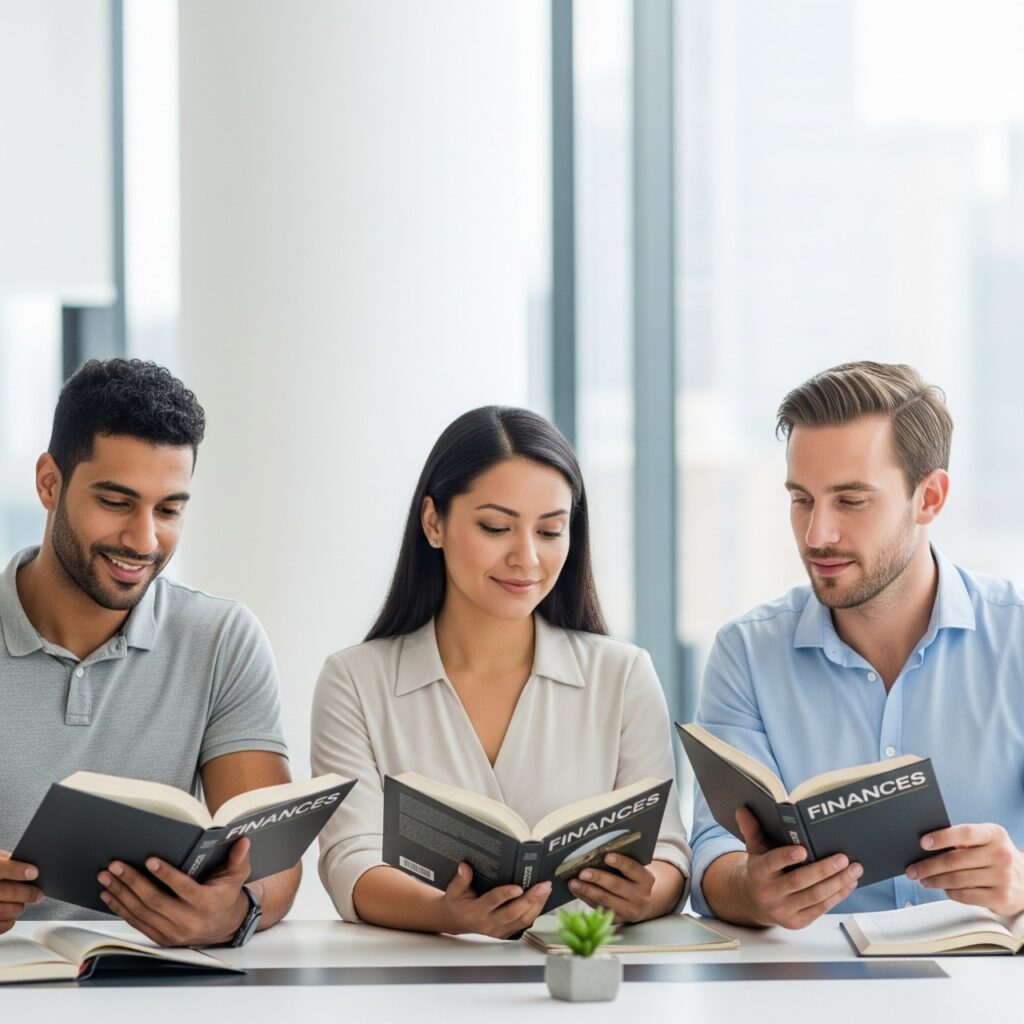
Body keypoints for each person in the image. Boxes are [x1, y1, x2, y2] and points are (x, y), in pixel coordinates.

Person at [312, 406, 690, 937]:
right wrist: (447, 914)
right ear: (433, 522)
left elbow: (669, 851)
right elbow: (350, 860)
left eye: (551, 531)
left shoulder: (622, 675)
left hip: (580, 979)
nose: (527, 559)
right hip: (419, 983)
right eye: (496, 527)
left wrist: (644, 893)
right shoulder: (355, 680)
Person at [690, 361, 1024, 928]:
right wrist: (752, 890)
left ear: (929, 498)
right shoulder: (745, 653)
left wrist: (1018, 883)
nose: (818, 535)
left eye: (851, 500)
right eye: (802, 500)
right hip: (812, 989)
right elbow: (712, 853)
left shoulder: (1014, 639)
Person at [0, 359, 299, 946]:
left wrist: (234, 912)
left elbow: (273, 861)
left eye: (168, 510)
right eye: (116, 502)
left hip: (151, 978)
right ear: (49, 483)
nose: (144, 541)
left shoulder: (221, 639)